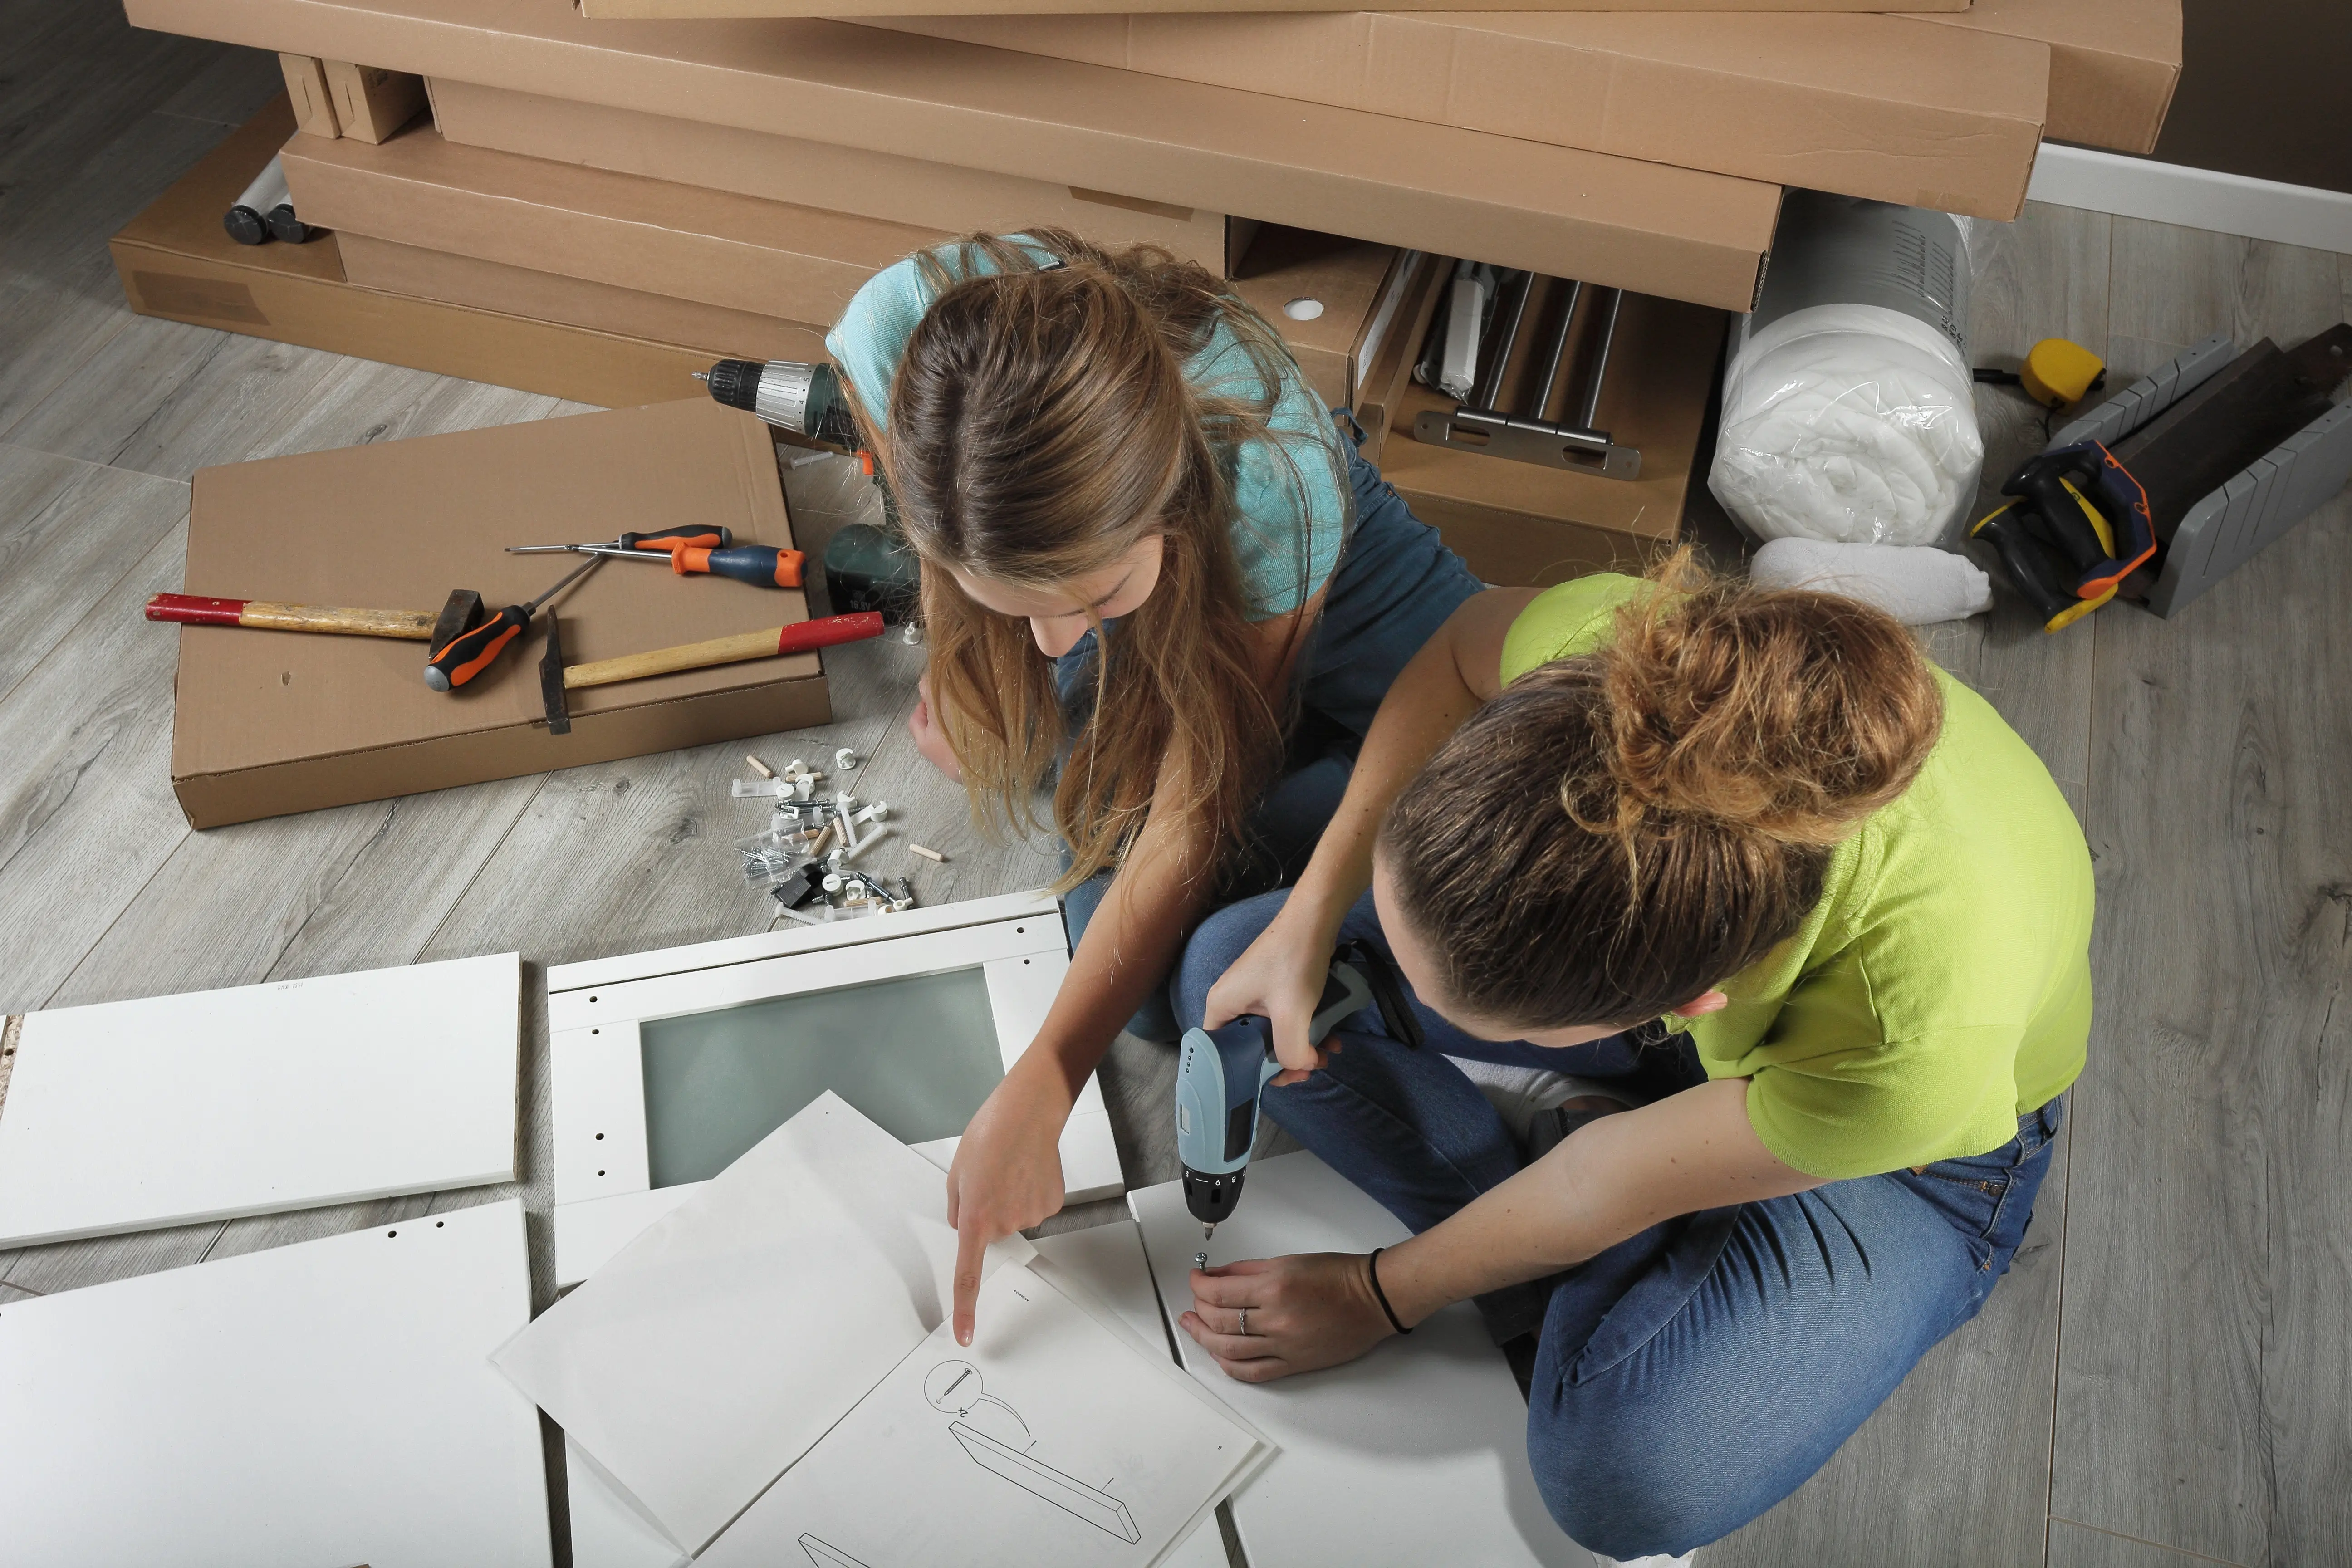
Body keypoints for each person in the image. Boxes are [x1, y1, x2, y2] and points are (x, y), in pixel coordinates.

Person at [1173, 557, 2090, 1563]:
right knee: (1235, 979)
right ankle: (1577, 1232)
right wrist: (1309, 921)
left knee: (1623, 1480)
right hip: (1700, 994)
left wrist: (1379, 1295)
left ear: (1680, 1011)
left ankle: (1575, 1224)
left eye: (1509, 1028)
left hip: (1911, 1159)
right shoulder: (1604, 663)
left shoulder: (1917, 1036)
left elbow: (1599, 1187)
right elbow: (1458, 647)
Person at [825, 231, 1483, 1344]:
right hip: (1174, 610)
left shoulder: (1270, 476)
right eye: (1016, 602)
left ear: (1162, 515)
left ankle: (1497, 1147)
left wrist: (1048, 1076)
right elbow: (979, 572)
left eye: (1083, 596)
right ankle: (1312, 890)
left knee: (1200, 955)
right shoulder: (897, 328)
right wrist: (980, 666)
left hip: (1375, 641)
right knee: (1118, 958)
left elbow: (1204, 792)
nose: (1044, 644)